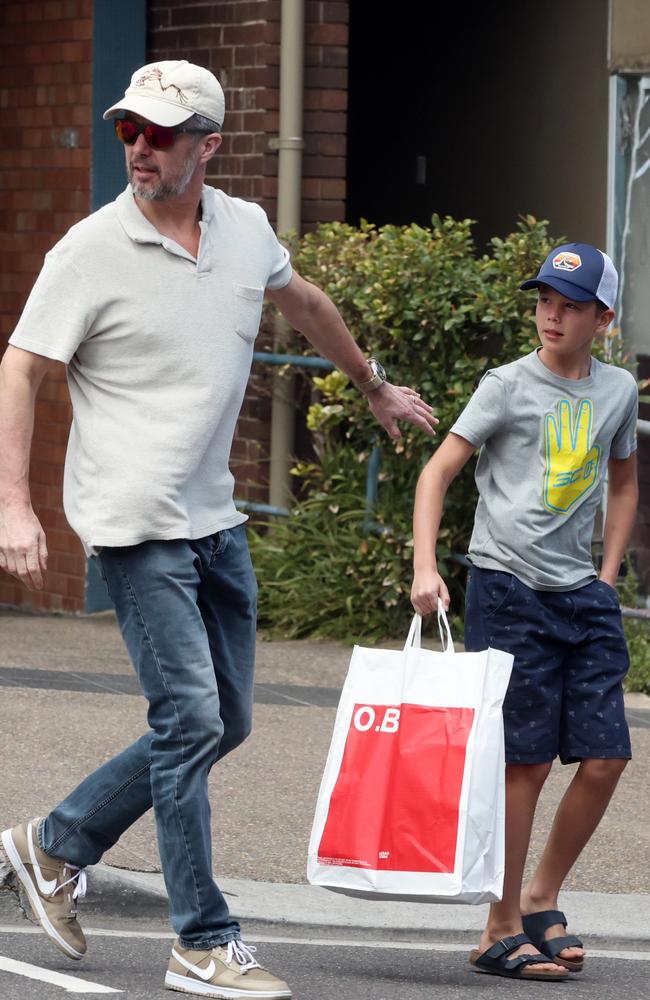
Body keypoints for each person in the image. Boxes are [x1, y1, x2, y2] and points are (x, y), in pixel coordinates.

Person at [0, 60, 437, 999]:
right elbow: (22, 368)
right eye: (129, 131)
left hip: (214, 522)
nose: (140, 149)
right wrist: (12, 504)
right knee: (190, 717)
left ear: (209, 144)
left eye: (160, 134)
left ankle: (54, 841)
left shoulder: (243, 230)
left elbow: (306, 301)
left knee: (225, 720)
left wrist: (373, 386)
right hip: (134, 524)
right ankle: (201, 939)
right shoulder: (86, 250)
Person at [411, 242, 638, 982]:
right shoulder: (506, 386)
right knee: (526, 764)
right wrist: (425, 567)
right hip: (508, 589)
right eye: (544, 300)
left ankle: (542, 897)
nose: (551, 314)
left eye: (570, 306)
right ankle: (497, 925)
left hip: (583, 598)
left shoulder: (618, 392)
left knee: (606, 756)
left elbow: (626, 481)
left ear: (602, 319)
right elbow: (438, 471)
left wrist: (607, 575)